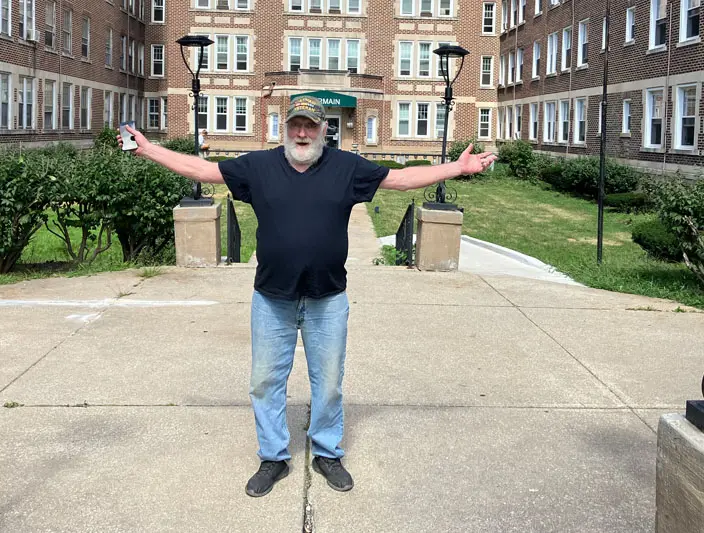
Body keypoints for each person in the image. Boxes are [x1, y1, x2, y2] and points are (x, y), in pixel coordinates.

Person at [118, 95, 496, 498]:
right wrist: (149, 149)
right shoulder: (259, 167)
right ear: (286, 128)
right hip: (272, 298)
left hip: (327, 299)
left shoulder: (346, 168)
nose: (302, 133)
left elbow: (400, 179)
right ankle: (273, 457)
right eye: (296, 125)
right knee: (265, 381)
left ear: (323, 130)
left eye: (310, 126)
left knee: (329, 383)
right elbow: (205, 170)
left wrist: (458, 168)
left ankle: (327, 451)